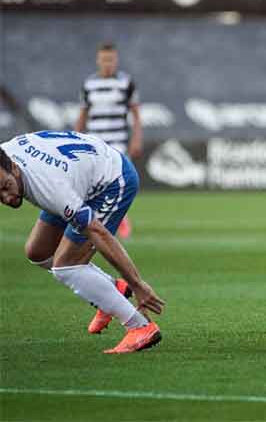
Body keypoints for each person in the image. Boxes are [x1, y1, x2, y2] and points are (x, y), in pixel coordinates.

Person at [0, 130, 164, 353]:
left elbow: (100, 234)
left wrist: (137, 284)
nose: (7, 199)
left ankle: (140, 327)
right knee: (38, 251)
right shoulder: (6, 157)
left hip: (112, 181)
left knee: (65, 266)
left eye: (6, 187)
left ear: (15, 168)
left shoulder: (49, 188)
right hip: (77, 178)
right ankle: (113, 288)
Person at [75, 43, 142, 239]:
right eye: (104, 59)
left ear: (116, 60)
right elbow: (83, 114)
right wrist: (76, 137)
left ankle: (121, 219)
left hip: (118, 142)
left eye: (111, 59)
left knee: (118, 182)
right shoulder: (89, 85)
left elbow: (136, 113)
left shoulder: (126, 83)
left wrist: (137, 138)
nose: (107, 64)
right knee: (93, 185)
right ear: (98, 60)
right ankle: (94, 220)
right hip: (95, 142)